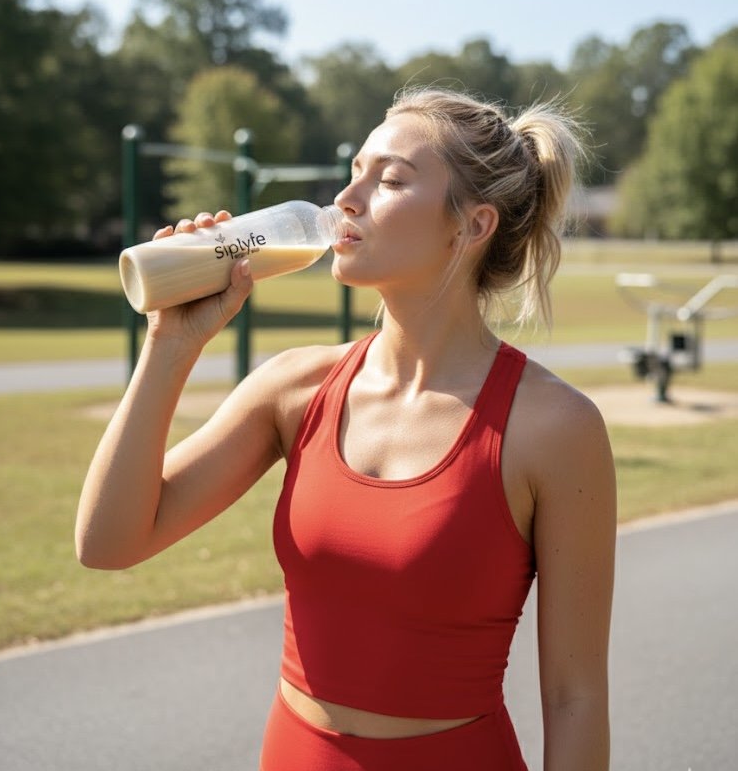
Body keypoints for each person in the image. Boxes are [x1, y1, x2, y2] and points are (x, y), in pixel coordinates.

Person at [76, 86, 617, 771]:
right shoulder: (294, 388)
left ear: (472, 225)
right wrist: (169, 345)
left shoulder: (554, 428)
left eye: (389, 179)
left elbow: (574, 697)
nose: (348, 199)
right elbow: (107, 542)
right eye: (355, 171)